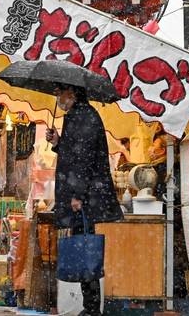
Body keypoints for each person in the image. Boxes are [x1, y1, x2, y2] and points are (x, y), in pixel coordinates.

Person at [46, 84, 123, 316]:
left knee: (86, 248)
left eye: (60, 92)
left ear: (73, 93)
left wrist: (78, 195)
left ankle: (91, 309)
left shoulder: (84, 116)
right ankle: (89, 307)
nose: (57, 97)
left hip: (86, 197)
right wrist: (58, 142)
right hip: (84, 195)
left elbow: (84, 159)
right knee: (83, 248)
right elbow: (73, 154)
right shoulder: (79, 115)